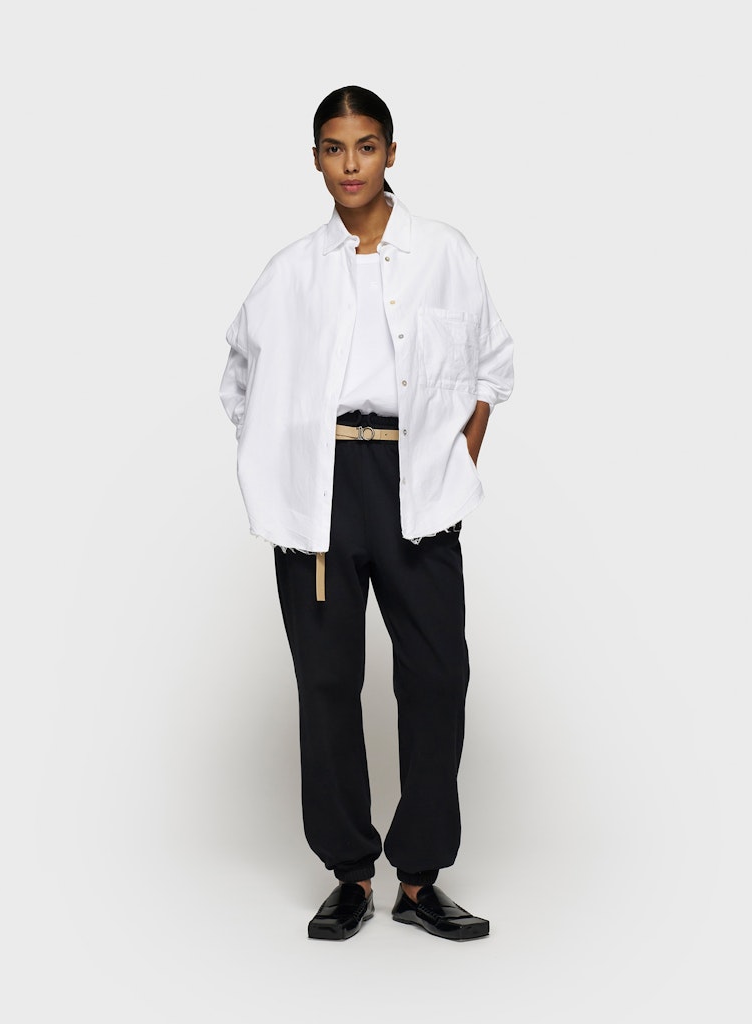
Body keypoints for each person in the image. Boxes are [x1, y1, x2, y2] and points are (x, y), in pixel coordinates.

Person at [219, 85, 514, 941]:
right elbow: (238, 378)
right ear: (315, 158)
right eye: (333, 147)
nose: (350, 164)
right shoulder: (289, 271)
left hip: (416, 480)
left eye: (366, 146)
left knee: (437, 676)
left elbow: (490, 366)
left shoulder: (444, 253)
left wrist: (457, 457)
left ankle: (418, 881)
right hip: (321, 492)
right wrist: (283, 460)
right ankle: (349, 872)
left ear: (390, 152)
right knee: (325, 682)